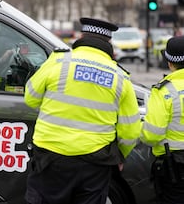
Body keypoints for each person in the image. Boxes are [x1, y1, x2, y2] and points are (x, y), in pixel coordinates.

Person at [24, 17, 141, 204]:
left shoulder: (59, 61)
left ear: (81, 36)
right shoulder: (120, 77)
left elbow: (30, 97)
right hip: (95, 162)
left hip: (51, 155)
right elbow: (131, 130)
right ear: (108, 43)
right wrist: (120, 155)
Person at [140, 36, 184, 204]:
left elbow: (152, 135)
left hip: (175, 167)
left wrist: (140, 127)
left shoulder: (164, 91)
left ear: (169, 63)